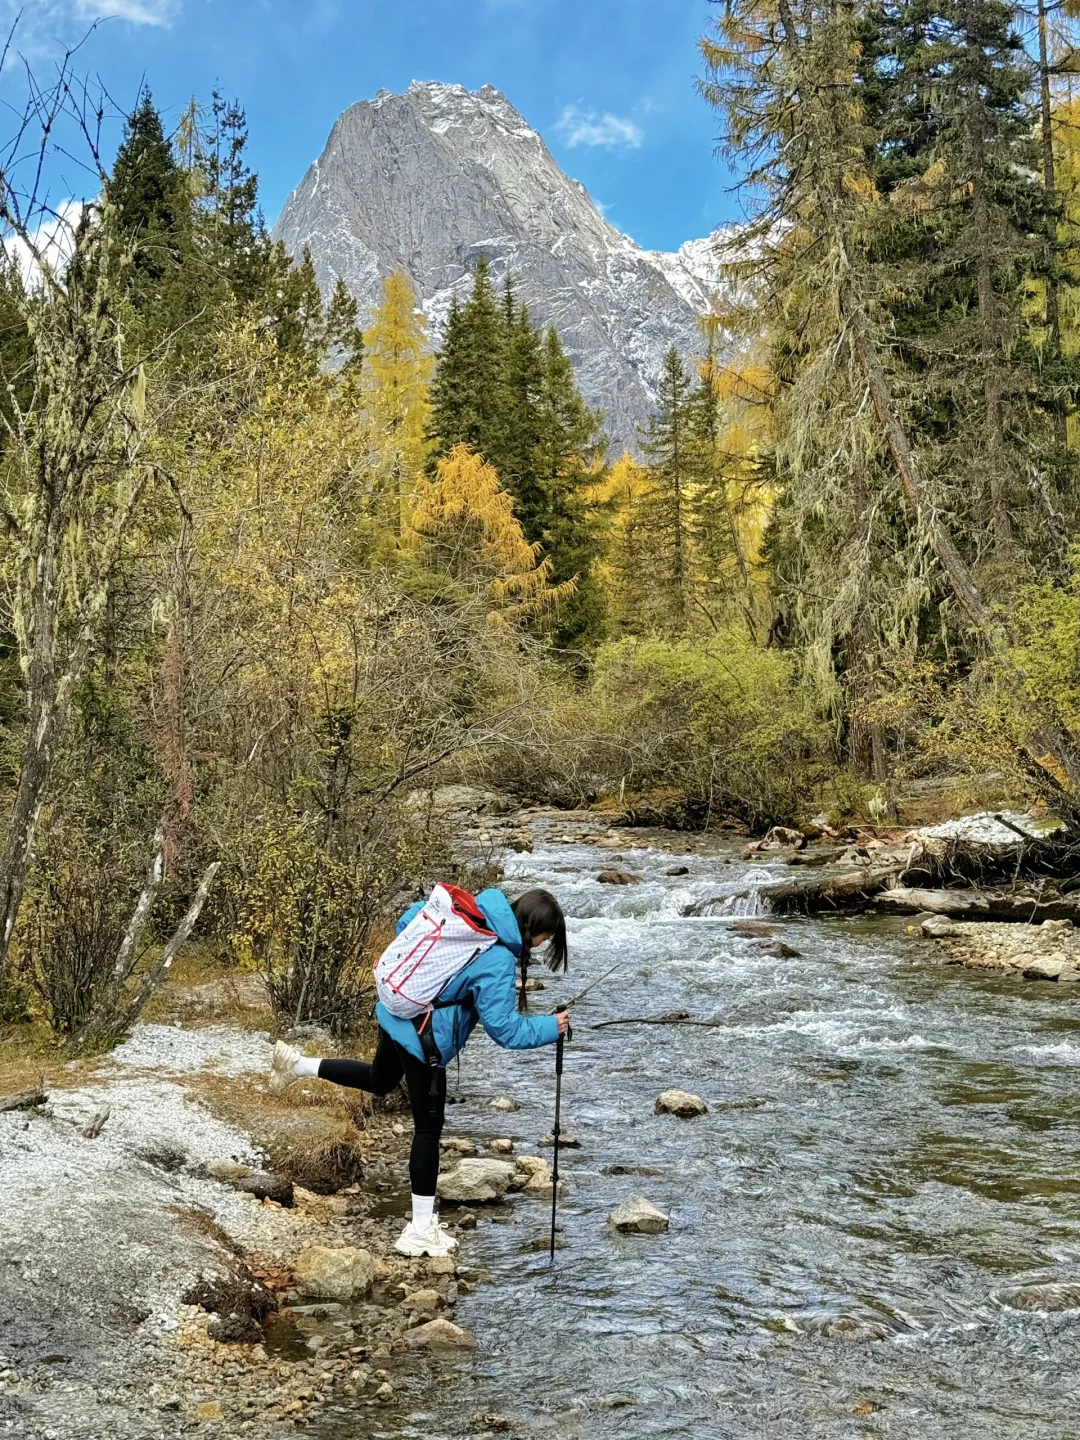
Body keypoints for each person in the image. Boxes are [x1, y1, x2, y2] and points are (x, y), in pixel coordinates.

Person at [269, 887, 571, 1258]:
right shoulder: (497, 959)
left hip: (396, 1012)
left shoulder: (470, 912)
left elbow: (409, 918)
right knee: (428, 1130)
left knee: (380, 1080)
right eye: (545, 937)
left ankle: (296, 1065)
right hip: (423, 1039)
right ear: (532, 928)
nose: (542, 945)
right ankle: (421, 1230)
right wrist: (549, 1027)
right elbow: (504, 1030)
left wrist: (420, 981)